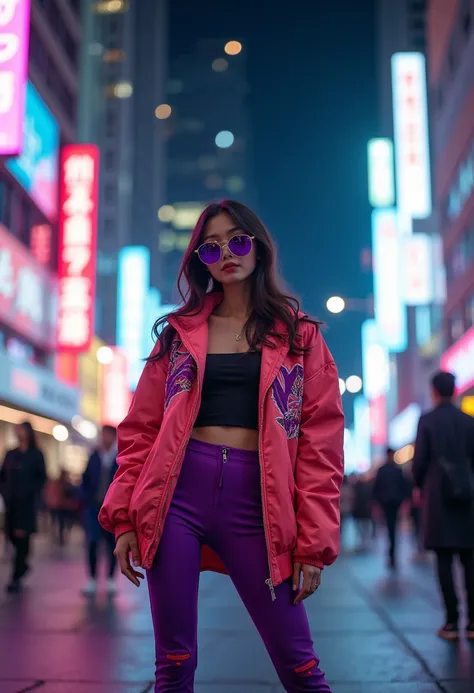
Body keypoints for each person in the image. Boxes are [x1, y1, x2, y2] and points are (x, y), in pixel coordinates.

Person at [99, 200, 345, 692]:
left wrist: (314, 544)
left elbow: (321, 445)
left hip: (259, 503)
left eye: (237, 240)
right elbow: (141, 431)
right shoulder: (178, 335)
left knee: (300, 664)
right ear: (198, 261)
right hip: (177, 498)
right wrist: (125, 515)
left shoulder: (301, 337)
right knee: (173, 663)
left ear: (258, 247)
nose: (226, 254)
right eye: (211, 248)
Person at [413, 371, 474, 641]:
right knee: (470, 561)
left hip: (438, 498)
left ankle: (451, 622)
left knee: (444, 560)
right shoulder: (469, 422)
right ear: (455, 390)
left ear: (434, 391)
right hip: (468, 497)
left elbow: (419, 463)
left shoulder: (427, 421)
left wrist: (419, 486)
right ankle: (473, 623)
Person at [0, 422, 46, 593]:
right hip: (11, 503)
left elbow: (41, 478)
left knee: (22, 538)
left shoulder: (36, 455)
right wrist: (5, 492)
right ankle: (23, 565)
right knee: (11, 534)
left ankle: (16, 576)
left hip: (26, 504)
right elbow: (2, 475)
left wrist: (31, 491)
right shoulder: (11, 454)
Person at [81, 425, 118, 596]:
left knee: (113, 544)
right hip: (94, 507)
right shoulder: (95, 456)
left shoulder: (120, 457)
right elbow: (85, 479)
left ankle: (111, 578)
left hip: (113, 509)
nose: (103, 438)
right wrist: (85, 499)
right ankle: (92, 579)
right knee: (92, 542)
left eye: (107, 435)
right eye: (102, 435)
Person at [373, 448, 410, 570]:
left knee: (390, 528)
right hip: (395, 503)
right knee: (392, 528)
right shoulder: (397, 470)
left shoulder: (382, 470)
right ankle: (392, 554)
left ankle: (391, 553)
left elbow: (376, 487)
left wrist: (376, 503)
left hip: (386, 502)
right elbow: (404, 487)